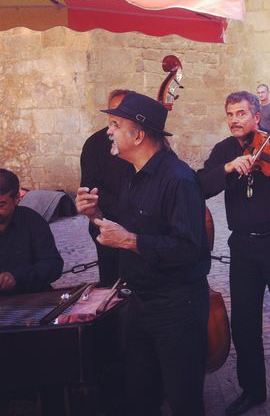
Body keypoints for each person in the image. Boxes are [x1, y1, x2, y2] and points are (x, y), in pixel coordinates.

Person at [75, 92, 210, 416]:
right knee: (141, 396)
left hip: (176, 309)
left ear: (138, 134)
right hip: (140, 305)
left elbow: (191, 249)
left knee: (184, 401)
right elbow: (116, 234)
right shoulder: (132, 177)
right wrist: (94, 215)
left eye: (115, 125)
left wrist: (132, 241)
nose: (108, 131)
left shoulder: (179, 180)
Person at [197, 91, 270, 416]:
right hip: (244, 248)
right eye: (230, 113)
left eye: (241, 113)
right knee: (245, 324)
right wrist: (228, 168)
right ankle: (252, 390)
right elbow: (200, 186)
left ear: (256, 117)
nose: (235, 119)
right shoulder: (223, 150)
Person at [80, 88, 133, 286]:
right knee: (113, 284)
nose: (117, 117)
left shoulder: (140, 141)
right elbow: (90, 187)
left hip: (141, 228)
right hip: (108, 222)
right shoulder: (94, 144)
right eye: (113, 111)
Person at [0, 169, 63, 295]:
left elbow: (53, 265)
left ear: (17, 198)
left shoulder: (33, 222)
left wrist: (16, 277)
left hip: (30, 297)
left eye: (1, 205)